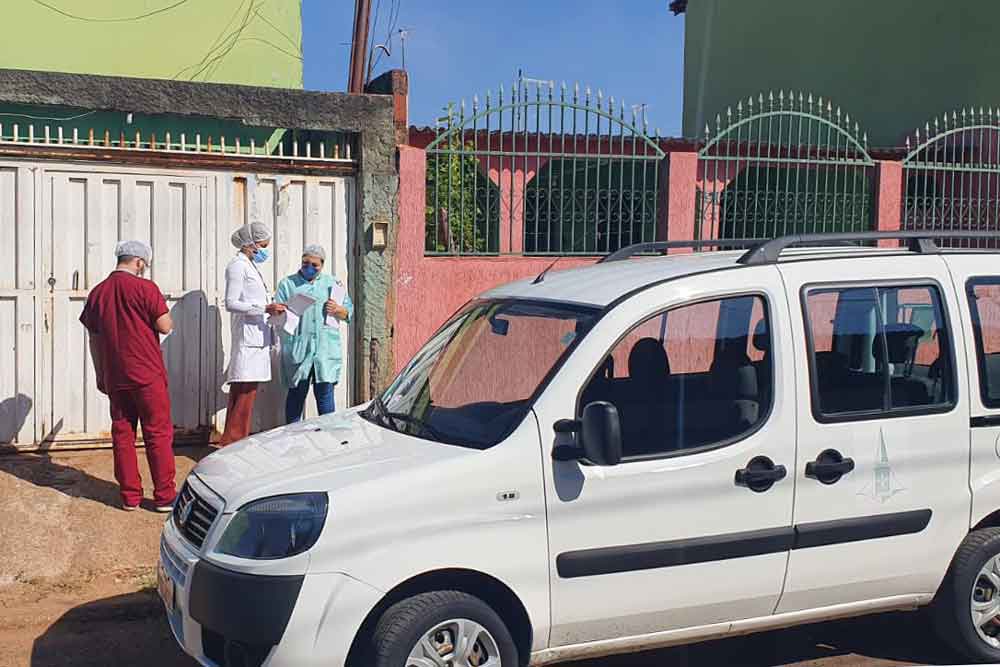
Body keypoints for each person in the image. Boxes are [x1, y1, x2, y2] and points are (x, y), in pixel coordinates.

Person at [79, 240, 176, 512]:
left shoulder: (98, 293)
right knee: (157, 432)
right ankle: (165, 496)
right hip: (146, 373)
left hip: (115, 375)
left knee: (122, 433)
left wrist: (101, 374)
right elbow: (165, 326)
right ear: (140, 262)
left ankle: (130, 496)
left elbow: (94, 339)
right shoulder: (146, 288)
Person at [219, 222, 284, 446]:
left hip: (257, 338)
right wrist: (264, 309)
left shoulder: (249, 266)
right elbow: (231, 302)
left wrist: (272, 308)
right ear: (251, 244)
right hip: (248, 342)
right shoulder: (237, 266)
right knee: (243, 397)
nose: (265, 251)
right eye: (263, 246)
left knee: (246, 396)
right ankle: (232, 444)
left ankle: (234, 441)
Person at [276, 244, 353, 423]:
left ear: (322, 265)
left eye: (314, 265)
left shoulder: (332, 284)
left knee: (325, 398)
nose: (309, 267)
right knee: (296, 396)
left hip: (325, 351)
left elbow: (348, 311)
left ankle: (327, 440)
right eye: (305, 263)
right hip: (299, 349)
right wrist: (282, 311)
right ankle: (291, 439)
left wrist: (338, 309)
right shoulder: (288, 284)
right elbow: (277, 315)